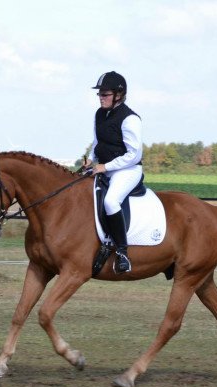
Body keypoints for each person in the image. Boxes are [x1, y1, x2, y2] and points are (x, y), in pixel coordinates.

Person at [84, 71, 143, 274]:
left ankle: (122, 251)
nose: (101, 97)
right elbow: (97, 143)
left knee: (110, 201)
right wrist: (91, 160)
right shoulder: (100, 114)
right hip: (104, 168)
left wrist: (105, 167)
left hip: (127, 170)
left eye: (105, 94)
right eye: (99, 94)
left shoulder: (130, 119)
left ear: (119, 94)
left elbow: (134, 155)